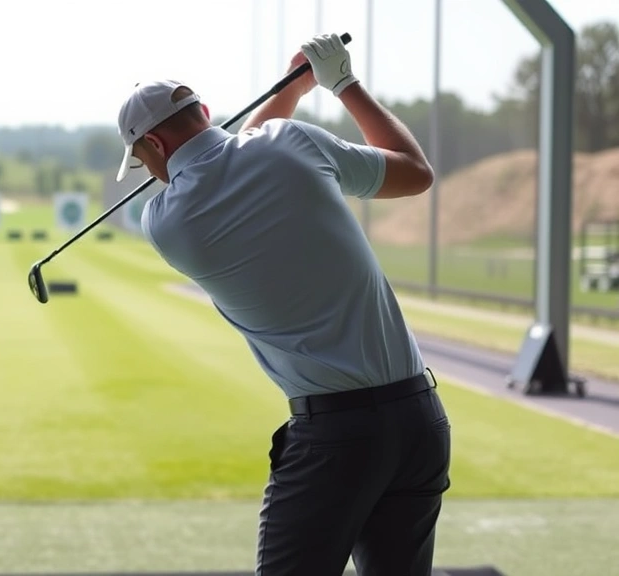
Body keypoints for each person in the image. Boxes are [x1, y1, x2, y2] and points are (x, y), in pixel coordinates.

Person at [113, 33, 452, 576]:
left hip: (336, 441)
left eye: (141, 160)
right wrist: (339, 82)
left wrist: (290, 93)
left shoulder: (166, 224)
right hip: (419, 421)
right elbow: (414, 171)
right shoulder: (290, 142)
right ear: (203, 109)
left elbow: (231, 163)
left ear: (152, 145)